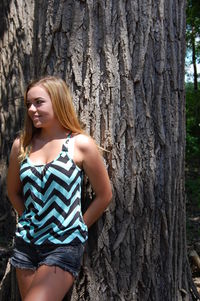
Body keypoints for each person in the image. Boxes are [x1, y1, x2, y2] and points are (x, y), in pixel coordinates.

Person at [7, 76, 112, 301]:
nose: (32, 109)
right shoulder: (22, 145)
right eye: (28, 104)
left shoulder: (79, 144)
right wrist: (27, 218)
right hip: (26, 244)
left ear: (57, 101)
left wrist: (78, 227)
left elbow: (105, 195)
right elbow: (12, 191)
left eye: (39, 102)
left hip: (63, 245)